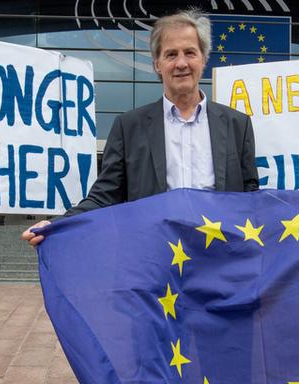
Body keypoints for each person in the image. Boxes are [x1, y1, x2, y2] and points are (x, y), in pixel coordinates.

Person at [22, 8, 259, 245]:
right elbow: (105, 195)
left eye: (190, 52)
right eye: (171, 54)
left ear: (204, 59)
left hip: (219, 256)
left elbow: (252, 201)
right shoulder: (129, 127)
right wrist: (58, 224)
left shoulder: (237, 125)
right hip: (156, 257)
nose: (181, 63)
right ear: (157, 64)